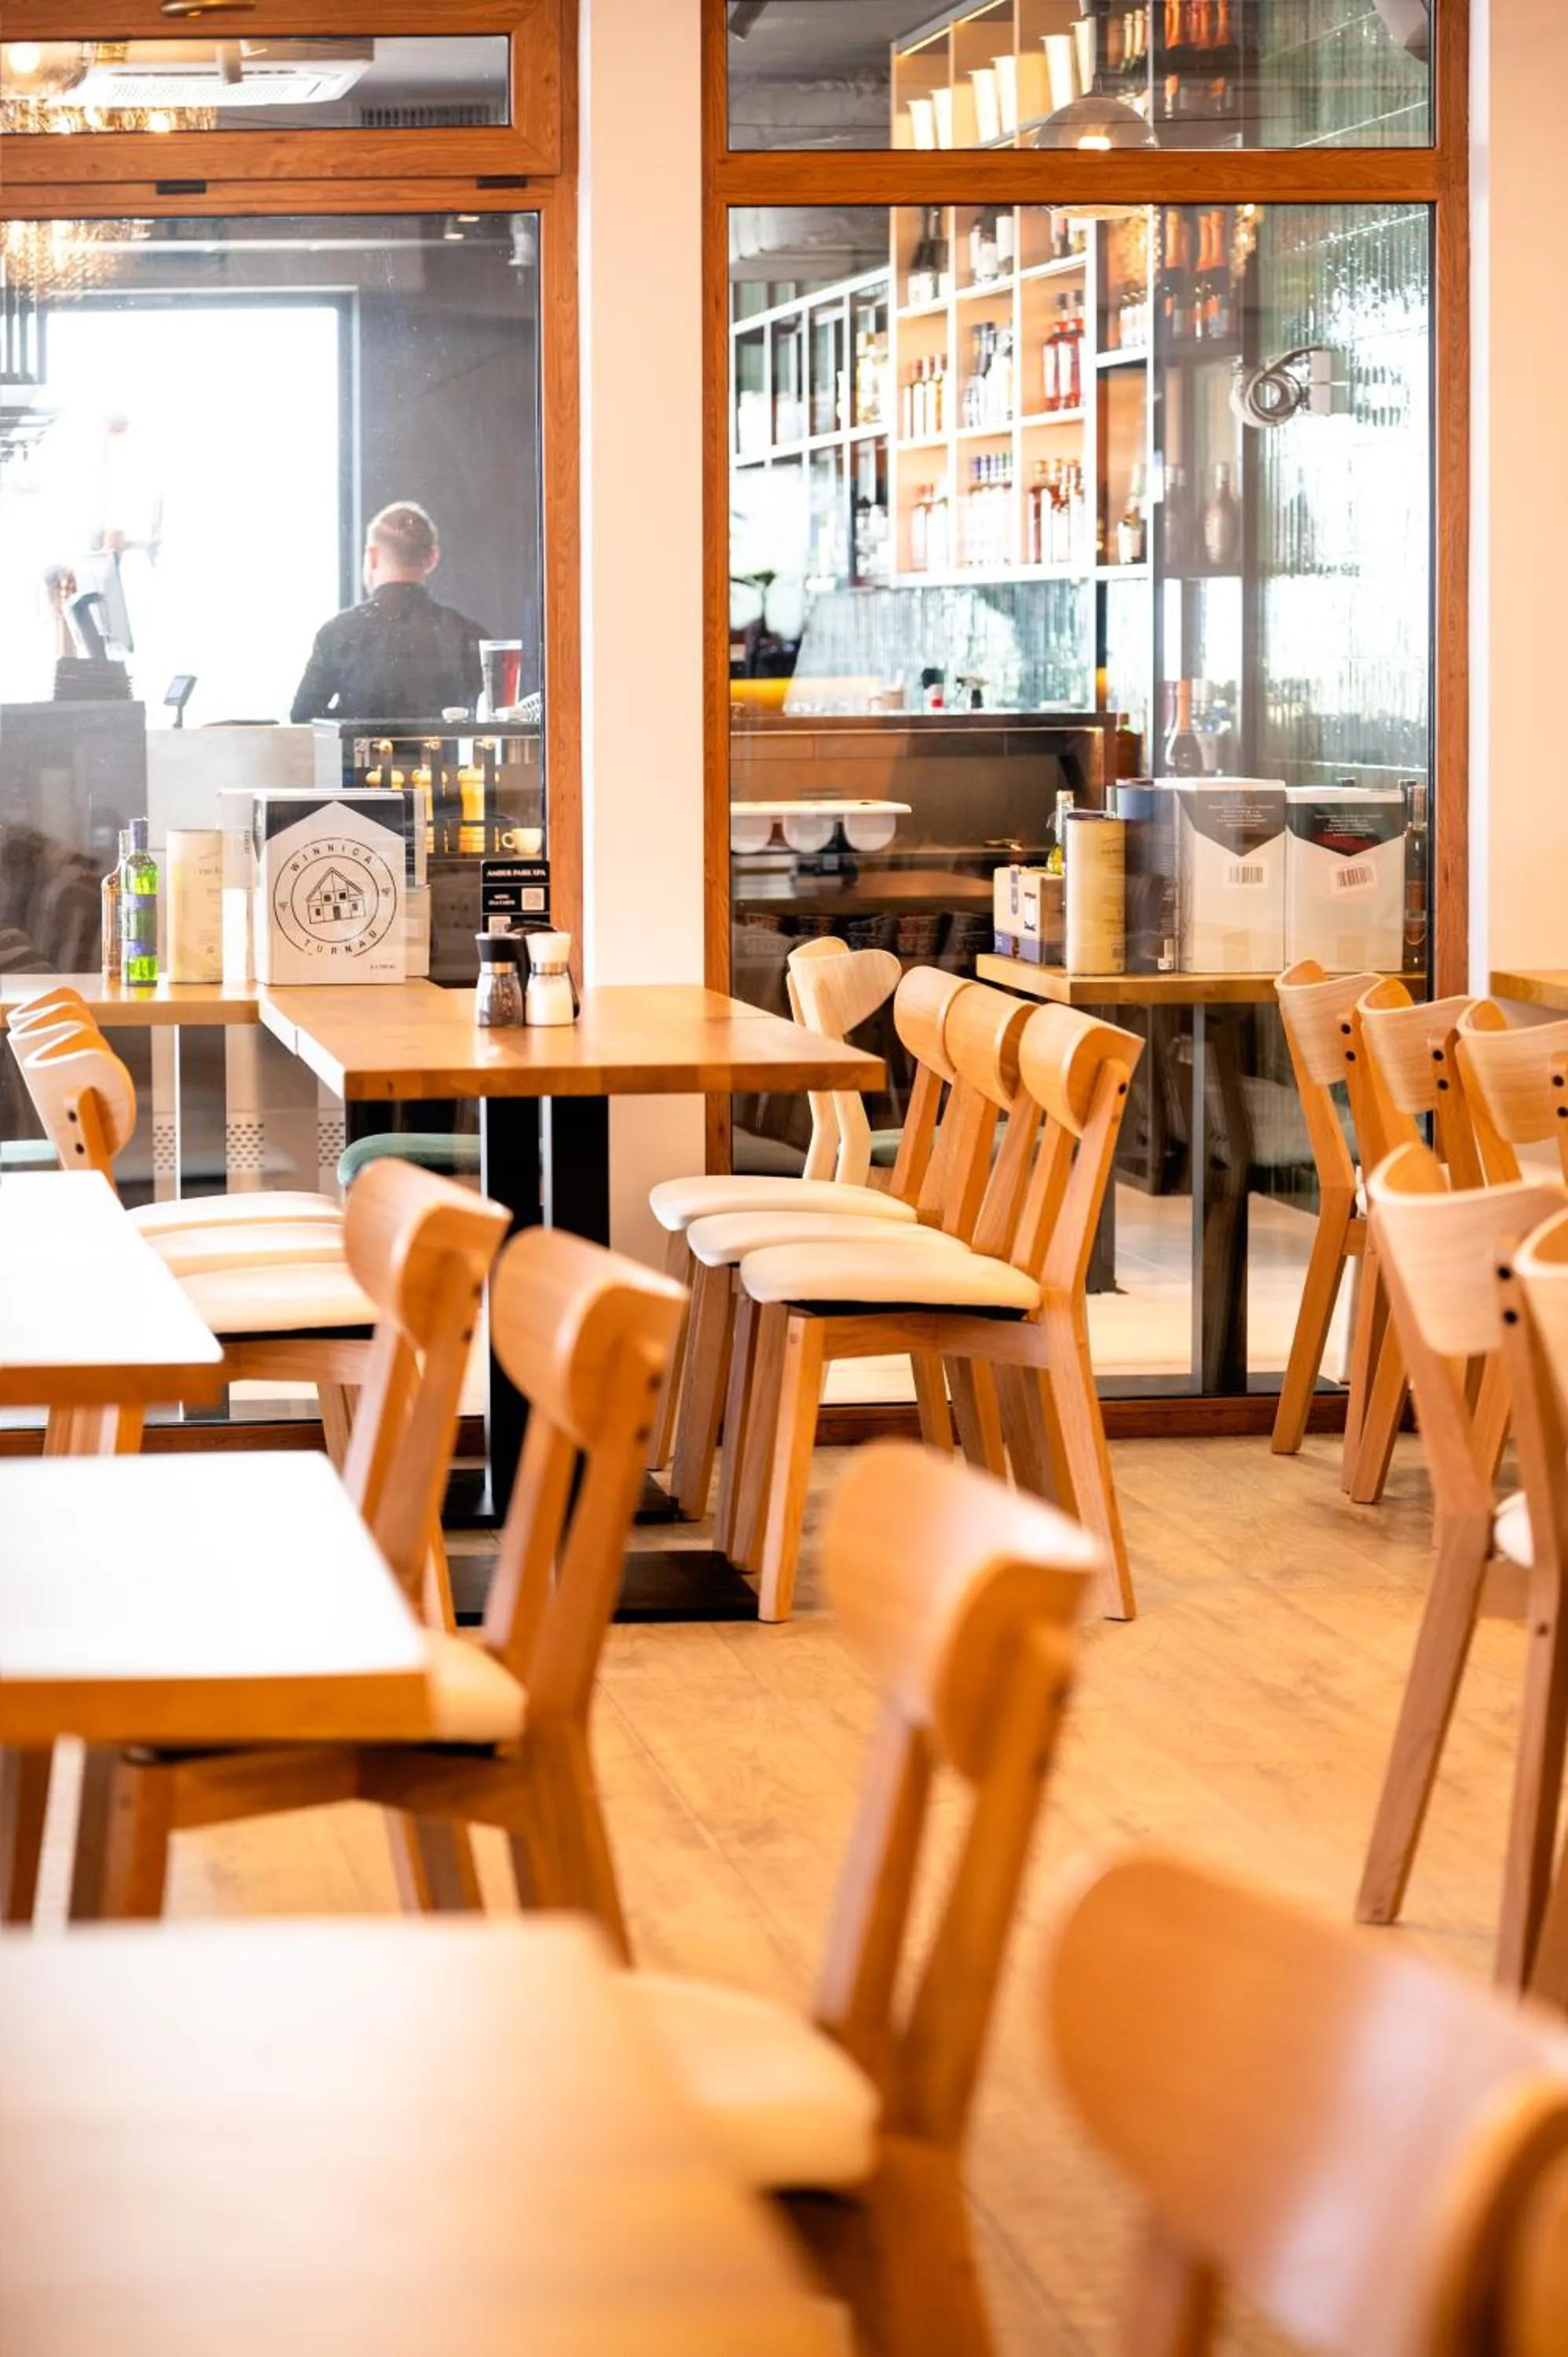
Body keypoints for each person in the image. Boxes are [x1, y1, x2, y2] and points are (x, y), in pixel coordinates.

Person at [290, 500, 485, 723]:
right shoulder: (468, 636)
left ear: (372, 556)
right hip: (450, 759)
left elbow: (303, 720)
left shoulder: (336, 634)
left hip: (361, 757)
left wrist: (351, 719)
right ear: (432, 558)